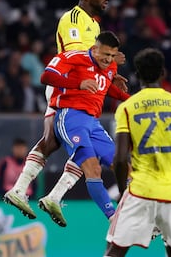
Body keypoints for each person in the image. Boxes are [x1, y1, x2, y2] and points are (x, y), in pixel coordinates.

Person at [3, 0, 125, 219]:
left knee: (63, 143)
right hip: (69, 85)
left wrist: (109, 76)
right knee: (57, 140)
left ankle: (45, 195)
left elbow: (96, 61)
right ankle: (23, 191)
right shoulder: (74, 18)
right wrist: (101, 76)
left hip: (82, 86)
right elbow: (76, 59)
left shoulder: (95, 25)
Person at [105, 48, 171, 257]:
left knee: (115, 250)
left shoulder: (127, 107)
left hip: (141, 190)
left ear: (137, 75)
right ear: (163, 73)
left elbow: (121, 158)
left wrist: (124, 191)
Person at [38, 31, 129, 227]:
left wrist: (129, 99)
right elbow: (46, 76)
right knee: (93, 168)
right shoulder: (74, 57)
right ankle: (115, 221)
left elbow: (104, 87)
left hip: (93, 124)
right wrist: (78, 83)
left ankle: (136, 216)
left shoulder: (110, 67)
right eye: (105, 54)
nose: (109, 59)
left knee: (124, 168)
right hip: (70, 117)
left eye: (113, 56)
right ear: (94, 49)